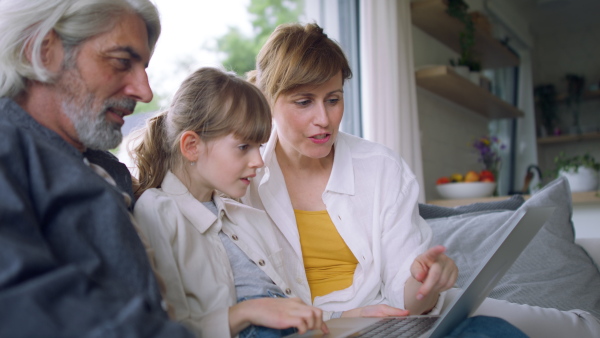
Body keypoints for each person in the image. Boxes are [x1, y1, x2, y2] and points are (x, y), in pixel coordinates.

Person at [243, 22, 600, 337]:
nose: (324, 118)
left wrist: (425, 281)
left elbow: (408, 293)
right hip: (313, 328)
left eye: (333, 99)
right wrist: (339, 318)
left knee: (526, 330)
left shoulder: (380, 167)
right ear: (268, 100)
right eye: (304, 102)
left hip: (395, 318)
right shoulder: (245, 177)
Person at [0, 0, 193, 336]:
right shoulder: (9, 150)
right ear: (43, 50)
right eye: (121, 62)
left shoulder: (106, 167)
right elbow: (25, 302)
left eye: (144, 68)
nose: (145, 92)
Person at [131, 67, 327, 338]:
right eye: (244, 147)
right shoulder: (157, 211)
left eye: (259, 146)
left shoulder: (247, 216)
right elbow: (167, 329)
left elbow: (294, 299)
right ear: (191, 146)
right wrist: (246, 312)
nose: (258, 161)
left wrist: (348, 316)